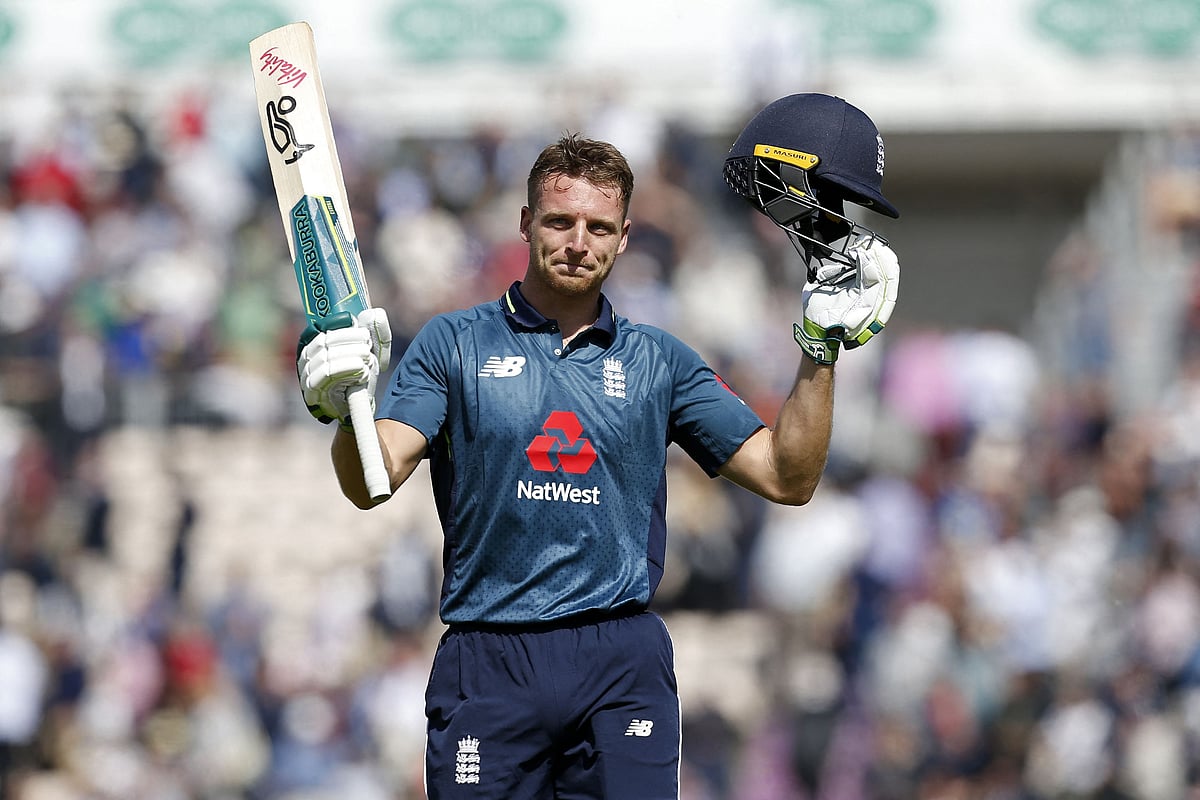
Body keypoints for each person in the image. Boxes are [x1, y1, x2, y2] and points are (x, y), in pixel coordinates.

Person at [295, 93, 900, 799]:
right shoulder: (453, 345)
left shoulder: (661, 361)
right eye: (559, 221)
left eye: (598, 226)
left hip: (620, 660)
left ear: (624, 235)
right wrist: (345, 410)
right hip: (490, 657)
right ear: (525, 223)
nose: (578, 241)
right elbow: (371, 478)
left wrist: (818, 349)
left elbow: (786, 477)